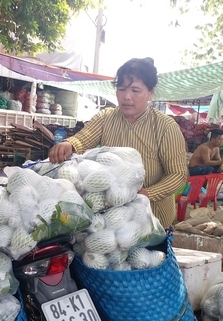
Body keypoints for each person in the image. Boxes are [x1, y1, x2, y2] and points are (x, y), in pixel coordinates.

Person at [49, 57, 188, 228]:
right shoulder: (106, 117)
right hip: (111, 217)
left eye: (135, 90)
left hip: (152, 219)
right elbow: (83, 138)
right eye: (121, 89)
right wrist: (69, 144)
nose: (127, 96)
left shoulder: (165, 127)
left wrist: (147, 194)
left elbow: (178, 174)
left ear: (150, 93)